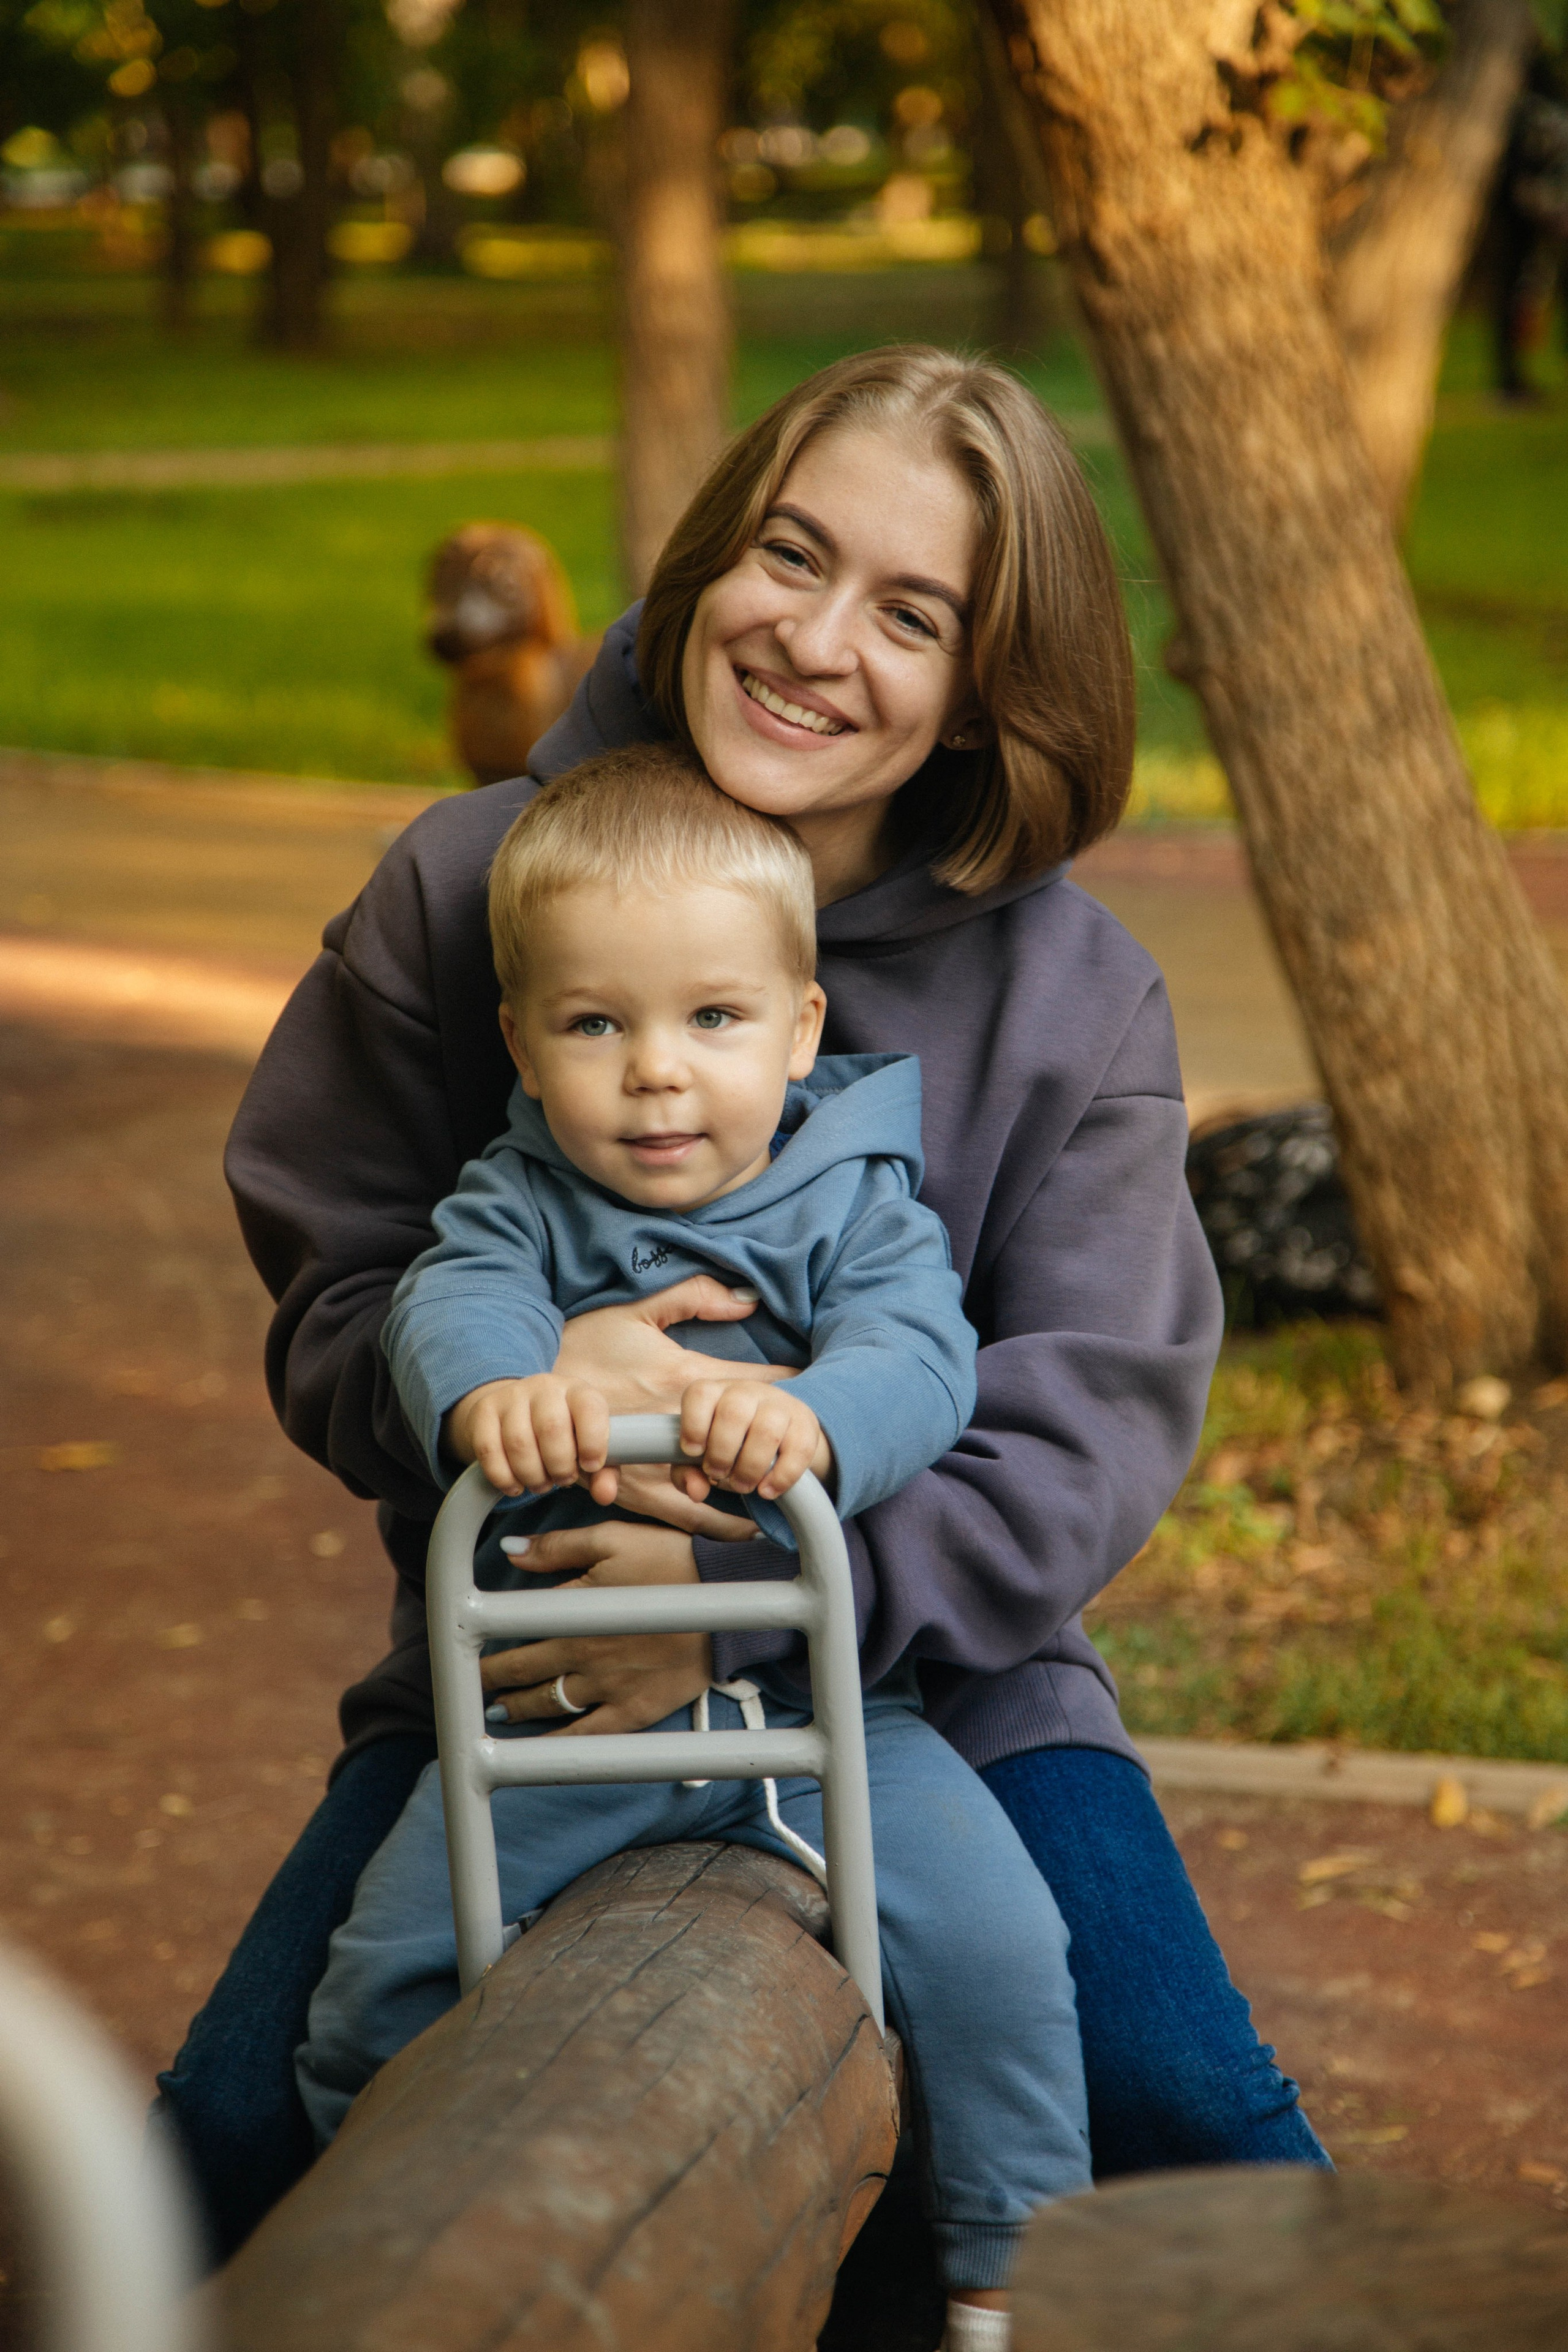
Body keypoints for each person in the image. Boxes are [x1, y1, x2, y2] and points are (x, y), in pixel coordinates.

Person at [156, 344, 1328, 2274]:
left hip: (938, 1675)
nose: (813, 638)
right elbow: (338, 1272)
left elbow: (1085, 1420)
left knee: (1191, 2110)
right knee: (226, 2130)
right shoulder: (471, 890)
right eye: (791, 553)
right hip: (525, 1653)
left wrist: (769, 1617)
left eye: (913, 613)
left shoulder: (1072, 994)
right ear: (711, 558)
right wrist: (509, 1382)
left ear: (983, 689)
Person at [297, 748, 1092, 2350]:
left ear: (802, 1028)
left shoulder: (852, 1197)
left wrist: (818, 1420)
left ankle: (1007, 2276)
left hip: (837, 1719)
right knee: (375, 1983)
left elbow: (924, 1357)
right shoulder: (514, 1203)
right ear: (523, 1043)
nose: (656, 1074)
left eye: (712, 1020)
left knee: (1007, 1946)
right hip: (565, 1724)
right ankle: (390, 2254)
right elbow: (446, 1310)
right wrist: (495, 1399)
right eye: (597, 1025)